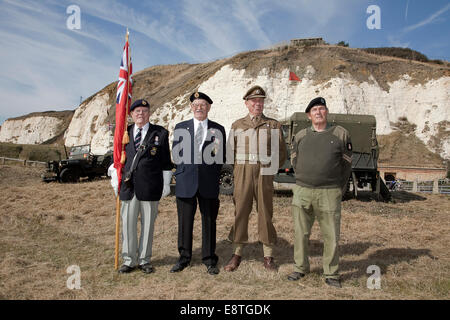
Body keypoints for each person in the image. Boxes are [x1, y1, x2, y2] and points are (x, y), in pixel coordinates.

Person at [288, 97, 352, 288]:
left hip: (329, 192)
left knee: (331, 234)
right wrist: (304, 179)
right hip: (302, 191)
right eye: (314, 109)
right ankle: (300, 268)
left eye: (322, 109)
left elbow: (347, 165)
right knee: (300, 233)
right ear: (309, 115)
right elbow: (294, 161)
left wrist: (337, 188)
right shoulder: (300, 136)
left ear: (327, 112)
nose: (318, 112)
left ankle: (331, 273)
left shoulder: (341, 134)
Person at [224, 85, 287, 272]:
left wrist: (270, 170)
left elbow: (281, 152)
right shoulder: (237, 125)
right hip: (242, 172)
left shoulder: (274, 125)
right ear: (247, 103)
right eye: (254, 101)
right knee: (241, 211)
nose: (257, 104)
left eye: (260, 101)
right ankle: (237, 254)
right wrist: (238, 171)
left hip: (264, 173)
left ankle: (268, 255)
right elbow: (230, 152)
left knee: (265, 213)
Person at [109, 99, 173, 274]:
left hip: (151, 186)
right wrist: (115, 179)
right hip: (128, 187)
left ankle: (144, 259)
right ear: (131, 114)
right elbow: (115, 159)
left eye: (144, 111)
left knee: (148, 225)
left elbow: (166, 162)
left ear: (149, 113)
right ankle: (129, 260)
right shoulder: (124, 133)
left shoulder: (160, 133)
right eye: (137, 111)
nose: (141, 114)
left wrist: (166, 184)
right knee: (128, 224)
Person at [170, 91, 226, 275]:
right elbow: (176, 155)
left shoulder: (218, 129)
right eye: (196, 105)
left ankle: (209, 259)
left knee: (209, 221)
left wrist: (212, 175)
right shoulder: (181, 127)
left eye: (202, 104)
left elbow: (220, 157)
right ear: (191, 108)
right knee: (184, 222)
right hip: (186, 181)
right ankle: (184, 258)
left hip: (208, 182)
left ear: (208, 107)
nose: (199, 108)